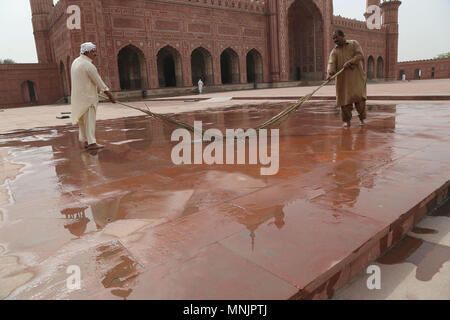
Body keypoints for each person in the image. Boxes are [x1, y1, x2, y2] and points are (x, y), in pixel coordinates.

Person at [71, 42, 116, 150]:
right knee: (89, 121)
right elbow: (99, 82)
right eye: (93, 51)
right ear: (86, 52)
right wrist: (110, 95)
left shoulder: (75, 62)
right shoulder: (88, 65)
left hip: (78, 98)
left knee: (83, 122)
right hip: (88, 99)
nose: (95, 54)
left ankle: (86, 141)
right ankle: (92, 143)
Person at [327, 30, 367, 127]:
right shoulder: (334, 51)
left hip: (356, 78)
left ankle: (362, 119)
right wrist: (329, 74)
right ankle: (347, 121)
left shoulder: (354, 44)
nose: (335, 40)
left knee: (360, 100)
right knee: (344, 102)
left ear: (343, 36)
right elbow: (331, 63)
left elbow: (360, 55)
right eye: (333, 38)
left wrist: (350, 62)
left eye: (336, 37)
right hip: (343, 81)